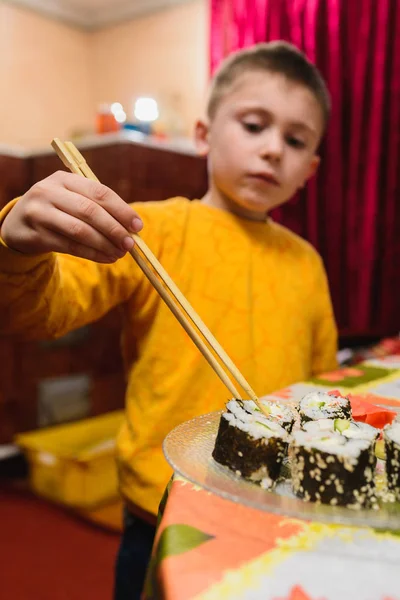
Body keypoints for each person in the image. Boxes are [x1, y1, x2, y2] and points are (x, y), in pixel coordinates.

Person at [0, 41, 338, 599]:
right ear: (204, 134)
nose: (274, 149)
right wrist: (16, 249)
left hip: (276, 507)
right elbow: (41, 313)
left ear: (312, 168)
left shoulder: (307, 261)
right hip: (166, 506)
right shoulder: (150, 231)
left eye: (296, 140)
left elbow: (320, 383)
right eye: (254, 125)